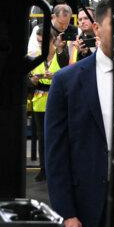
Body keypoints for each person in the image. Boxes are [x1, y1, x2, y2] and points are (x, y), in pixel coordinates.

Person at [44, 0, 113, 227]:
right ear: (98, 29)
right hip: (89, 211)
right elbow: (56, 156)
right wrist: (67, 214)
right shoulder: (68, 81)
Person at [29, 28, 69, 182]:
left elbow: (67, 72)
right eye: (39, 42)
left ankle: (58, 168)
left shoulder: (62, 55)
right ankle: (43, 168)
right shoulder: (34, 56)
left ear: (53, 40)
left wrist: (56, 76)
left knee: (58, 135)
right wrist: (32, 80)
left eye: (43, 41)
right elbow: (26, 79)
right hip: (39, 101)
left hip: (57, 100)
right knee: (41, 136)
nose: (41, 45)